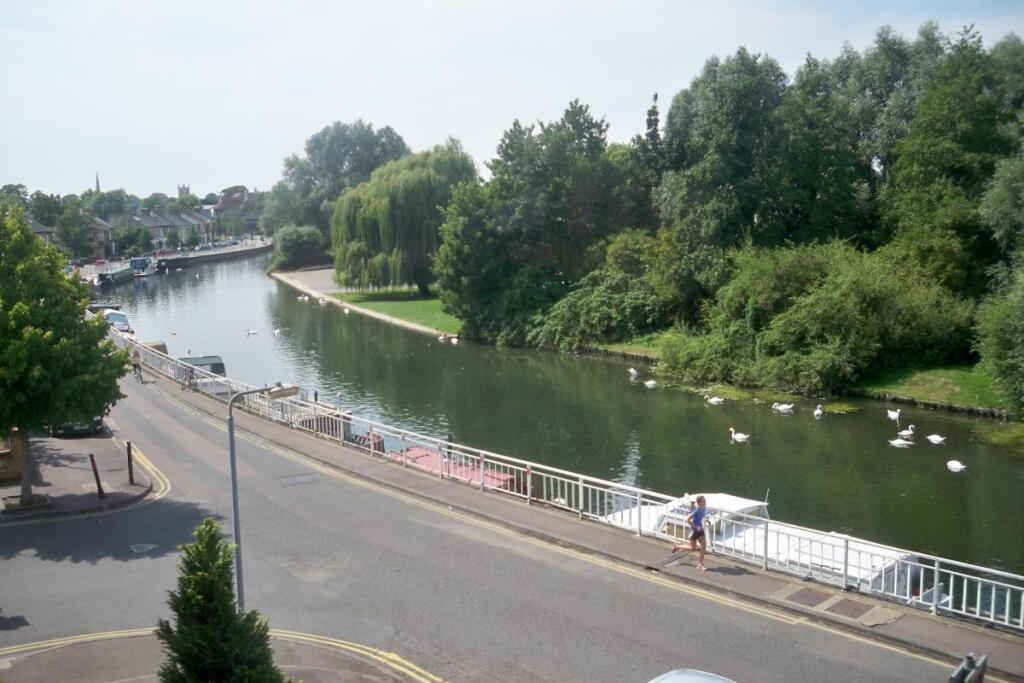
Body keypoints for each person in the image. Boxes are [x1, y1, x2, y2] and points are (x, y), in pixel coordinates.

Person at [674, 495, 708, 570]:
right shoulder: (696, 510)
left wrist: (706, 520)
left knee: (704, 546)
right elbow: (688, 520)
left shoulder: (703, 508)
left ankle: (700, 563)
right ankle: (678, 546)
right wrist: (696, 527)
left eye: (705, 500)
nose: (705, 502)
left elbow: (703, 515)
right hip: (694, 531)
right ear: (699, 502)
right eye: (703, 501)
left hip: (700, 530)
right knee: (693, 549)